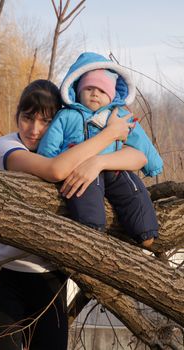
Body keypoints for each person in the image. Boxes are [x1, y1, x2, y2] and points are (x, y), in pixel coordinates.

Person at [0, 79, 147, 350]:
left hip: (49, 280)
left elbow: (139, 157)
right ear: (16, 116)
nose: (34, 130)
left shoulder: (74, 145)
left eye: (45, 121)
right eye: (26, 118)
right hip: (0, 277)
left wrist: (99, 161)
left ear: (59, 121)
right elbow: (55, 169)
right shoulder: (7, 147)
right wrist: (109, 135)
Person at [37, 52, 163, 248]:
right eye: (89, 88)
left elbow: (141, 141)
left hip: (115, 168)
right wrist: (46, 161)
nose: (95, 93)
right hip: (81, 168)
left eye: (102, 91)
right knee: (85, 194)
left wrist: (155, 165)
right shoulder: (68, 115)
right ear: (77, 90)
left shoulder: (119, 115)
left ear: (112, 95)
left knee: (133, 190)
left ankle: (145, 231)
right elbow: (50, 144)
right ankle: (92, 232)